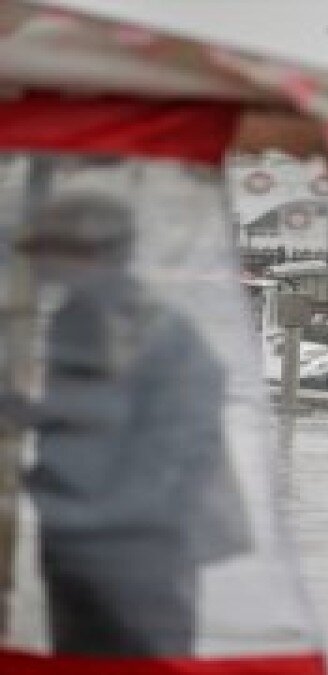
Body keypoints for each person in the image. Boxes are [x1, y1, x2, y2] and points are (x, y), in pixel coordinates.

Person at [0, 192, 249, 656]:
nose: (37, 265)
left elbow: (143, 427)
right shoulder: (90, 315)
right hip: (99, 528)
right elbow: (86, 412)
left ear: (92, 253)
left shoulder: (127, 322)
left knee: (126, 651)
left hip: (129, 535)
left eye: (48, 250)